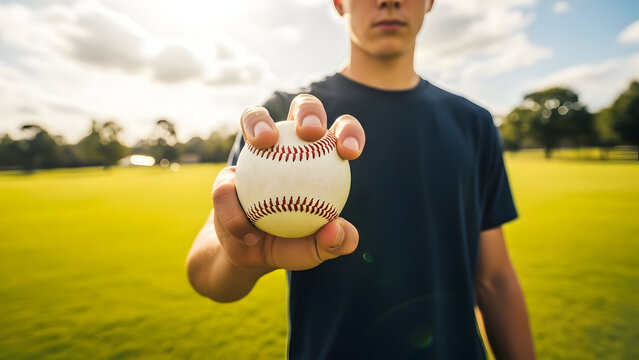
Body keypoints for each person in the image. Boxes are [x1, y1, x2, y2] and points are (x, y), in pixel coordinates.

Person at [186, 0, 536, 358]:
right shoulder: (283, 123)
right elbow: (202, 272)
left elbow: (494, 280)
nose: (390, 1)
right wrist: (239, 253)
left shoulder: (473, 123)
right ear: (339, 3)